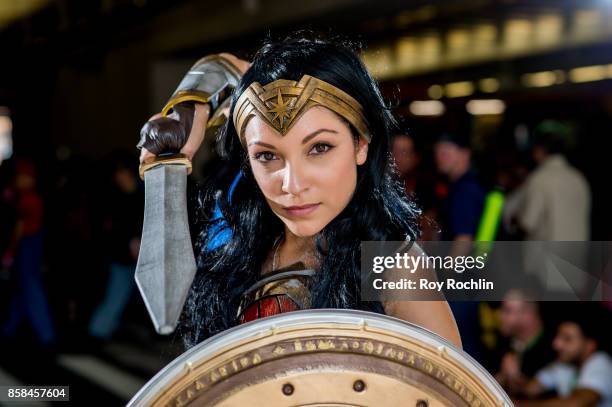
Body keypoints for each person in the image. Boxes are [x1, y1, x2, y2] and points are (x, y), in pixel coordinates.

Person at [138, 37, 461, 350]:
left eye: (320, 148)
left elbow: (457, 395)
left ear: (361, 144)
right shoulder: (239, 246)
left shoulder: (393, 265)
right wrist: (185, 110)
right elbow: (231, 69)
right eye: (267, 155)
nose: (291, 185)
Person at [506, 120, 591, 241]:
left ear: (540, 150)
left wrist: (513, 218)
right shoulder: (578, 177)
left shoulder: (540, 178)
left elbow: (527, 222)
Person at [515, 305, 612, 407]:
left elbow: (575, 404)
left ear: (589, 346)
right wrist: (512, 376)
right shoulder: (563, 364)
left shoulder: (601, 364)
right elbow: (529, 389)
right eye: (558, 336)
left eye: (567, 339)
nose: (556, 344)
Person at [494, 289, 556, 396]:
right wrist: (504, 376)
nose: (499, 315)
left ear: (527, 315)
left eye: (507, 310)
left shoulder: (554, 348)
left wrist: (515, 378)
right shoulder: (504, 343)